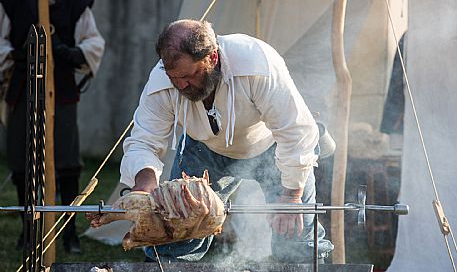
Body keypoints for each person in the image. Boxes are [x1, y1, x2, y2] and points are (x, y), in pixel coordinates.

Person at [120, 19, 333, 263]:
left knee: (296, 234)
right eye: (174, 78)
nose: (181, 85)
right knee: (177, 232)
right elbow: (144, 140)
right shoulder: (161, 82)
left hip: (272, 147)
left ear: (212, 58)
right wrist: (144, 183)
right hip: (203, 149)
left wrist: (292, 196)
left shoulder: (257, 64)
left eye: (189, 76)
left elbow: (295, 130)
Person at [0, 0, 105, 254]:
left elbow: (94, 43)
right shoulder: (12, 1)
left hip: (61, 91)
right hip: (23, 89)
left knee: (67, 162)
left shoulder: (76, 2)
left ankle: (68, 232)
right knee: (22, 161)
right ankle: (28, 229)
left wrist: (68, 52)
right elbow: (1, 42)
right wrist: (15, 54)